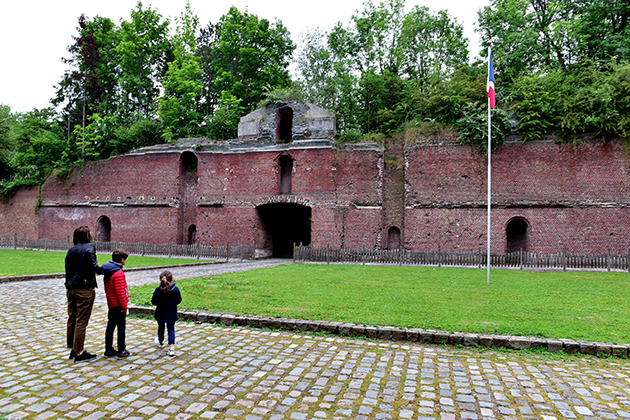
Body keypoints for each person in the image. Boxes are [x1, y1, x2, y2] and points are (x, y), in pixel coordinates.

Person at [65, 226, 103, 362]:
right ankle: (79, 352)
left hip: (71, 288)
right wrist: (105, 269)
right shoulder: (89, 247)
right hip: (84, 288)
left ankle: (73, 349)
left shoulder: (71, 250)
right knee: (81, 321)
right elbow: (94, 266)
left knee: (72, 318)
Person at [102, 249, 130, 358]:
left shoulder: (108, 272)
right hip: (118, 305)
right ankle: (121, 350)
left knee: (110, 326)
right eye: (125, 259)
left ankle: (108, 348)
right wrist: (124, 307)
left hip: (111, 304)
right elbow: (120, 292)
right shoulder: (118, 273)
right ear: (122, 260)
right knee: (121, 327)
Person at [151, 270, 182, 357]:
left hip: (161, 312)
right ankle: (171, 347)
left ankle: (161, 341)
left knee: (161, 327)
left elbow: (154, 301)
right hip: (171, 312)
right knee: (171, 328)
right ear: (172, 279)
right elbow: (179, 300)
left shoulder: (158, 290)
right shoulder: (175, 289)